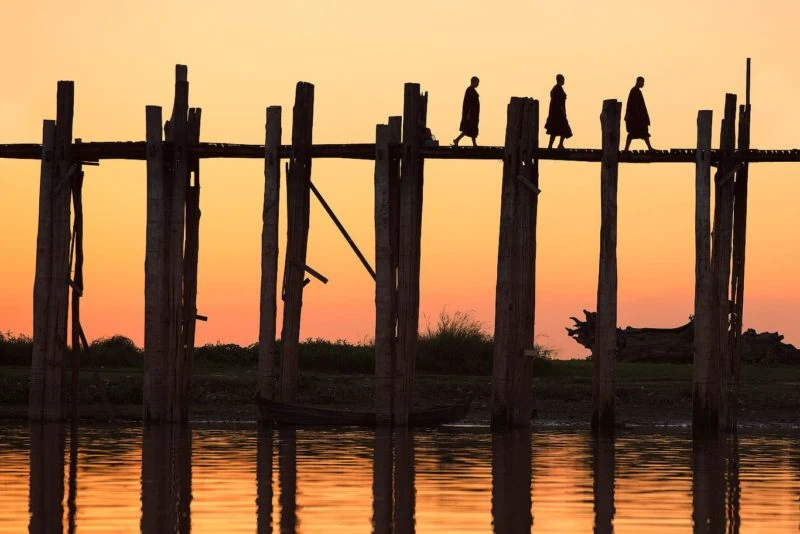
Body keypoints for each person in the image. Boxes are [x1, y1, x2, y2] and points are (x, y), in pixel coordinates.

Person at [624, 76, 654, 150]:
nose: (643, 84)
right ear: (638, 82)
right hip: (635, 118)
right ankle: (626, 149)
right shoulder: (634, 91)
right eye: (642, 82)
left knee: (644, 132)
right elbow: (631, 104)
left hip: (638, 117)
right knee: (633, 133)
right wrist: (629, 115)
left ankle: (649, 147)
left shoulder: (637, 91)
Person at [545, 74, 572, 149]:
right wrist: (563, 112)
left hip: (555, 113)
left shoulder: (556, 89)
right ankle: (557, 145)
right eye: (563, 79)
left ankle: (555, 145)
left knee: (555, 130)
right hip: (558, 113)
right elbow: (559, 102)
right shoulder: (558, 89)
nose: (564, 81)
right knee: (562, 128)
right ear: (560, 80)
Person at [453, 76, 480, 146]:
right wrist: (468, 113)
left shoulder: (472, 90)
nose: (478, 84)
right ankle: (457, 140)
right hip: (470, 114)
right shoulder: (469, 90)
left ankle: (474, 143)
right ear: (473, 82)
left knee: (473, 128)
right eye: (477, 82)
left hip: (474, 114)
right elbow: (468, 103)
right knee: (467, 128)